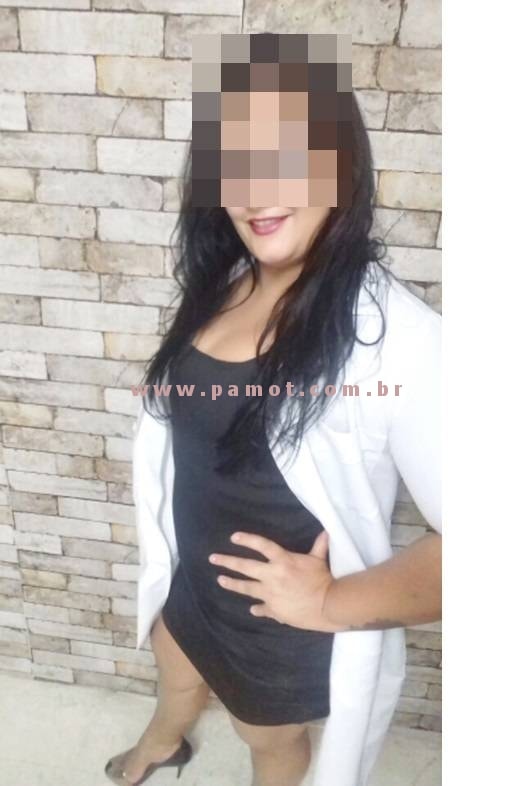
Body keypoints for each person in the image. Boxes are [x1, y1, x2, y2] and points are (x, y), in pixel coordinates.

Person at [104, 90, 441, 786]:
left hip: (273, 627)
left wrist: (328, 603)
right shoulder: (228, 278)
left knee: (268, 741)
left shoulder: (406, 342)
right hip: (192, 577)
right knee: (174, 666)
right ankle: (162, 742)